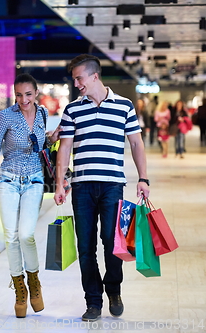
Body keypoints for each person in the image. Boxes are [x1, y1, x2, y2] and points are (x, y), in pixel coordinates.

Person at [54, 54, 150, 322]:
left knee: (112, 243)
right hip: (82, 187)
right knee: (85, 247)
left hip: (112, 186)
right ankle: (93, 301)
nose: (76, 83)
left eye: (79, 78)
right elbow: (64, 147)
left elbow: (136, 144)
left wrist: (143, 178)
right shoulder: (73, 109)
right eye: (74, 79)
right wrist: (60, 182)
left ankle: (114, 289)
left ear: (94, 76)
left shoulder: (124, 106)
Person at [0, 73, 60, 318]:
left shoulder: (42, 114)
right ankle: (19, 288)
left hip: (34, 180)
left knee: (26, 234)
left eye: (28, 94)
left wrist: (52, 139)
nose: (24, 99)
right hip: (8, 181)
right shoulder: (6, 116)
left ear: (36, 94)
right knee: (11, 237)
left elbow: (41, 146)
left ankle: (34, 281)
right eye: (19, 95)